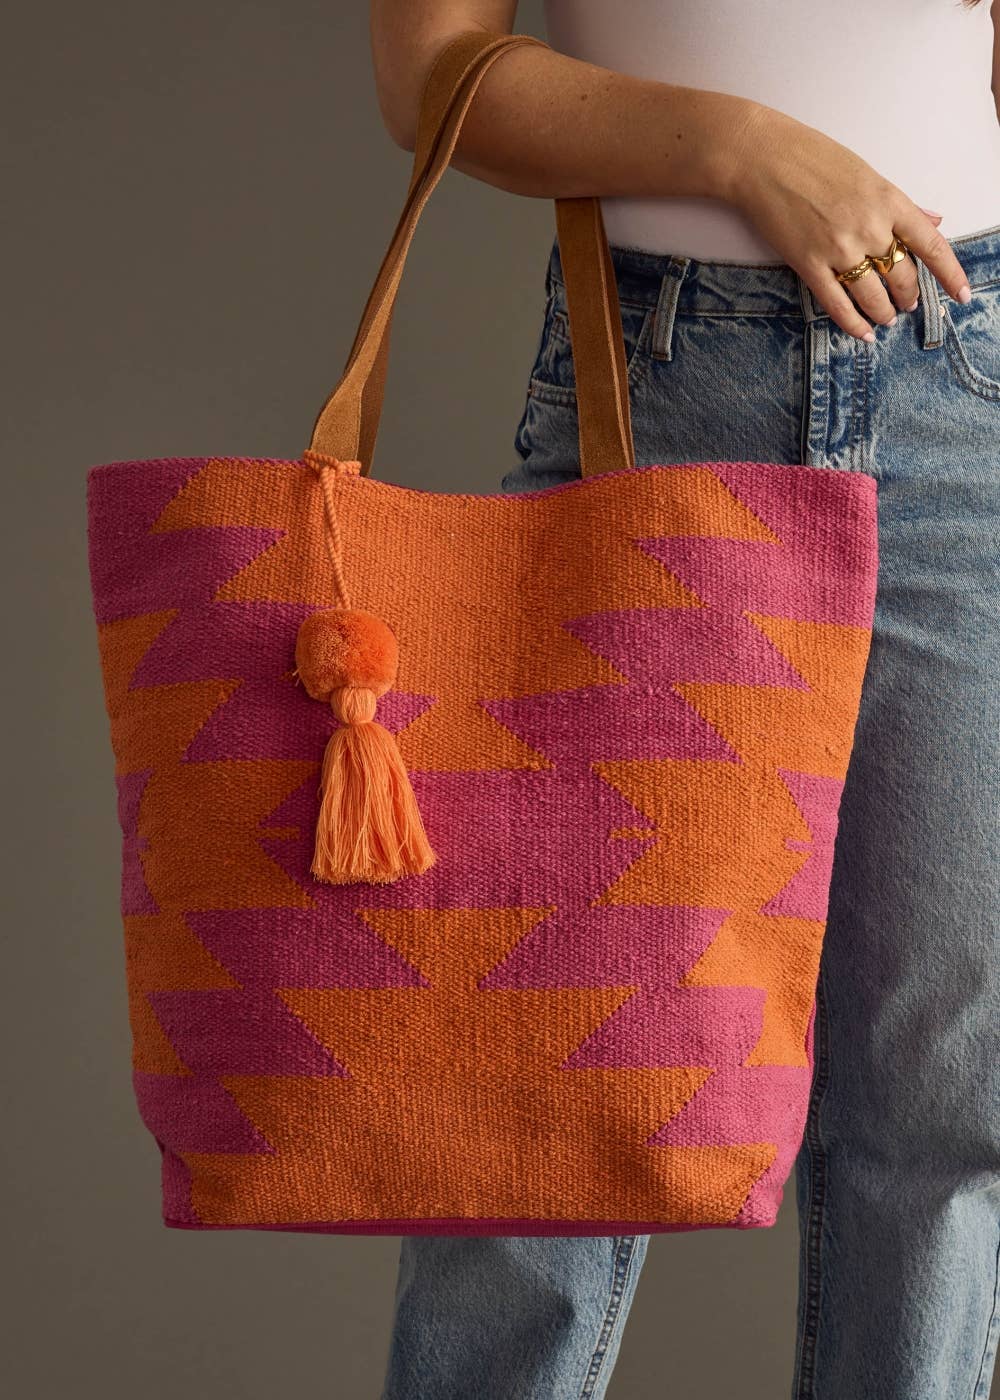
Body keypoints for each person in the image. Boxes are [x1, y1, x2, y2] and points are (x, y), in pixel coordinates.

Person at [370, 2, 1000, 1396]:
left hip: (971, 375)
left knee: (948, 1106)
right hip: (663, 380)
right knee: (547, 1084)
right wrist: (743, 149)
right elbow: (435, 78)